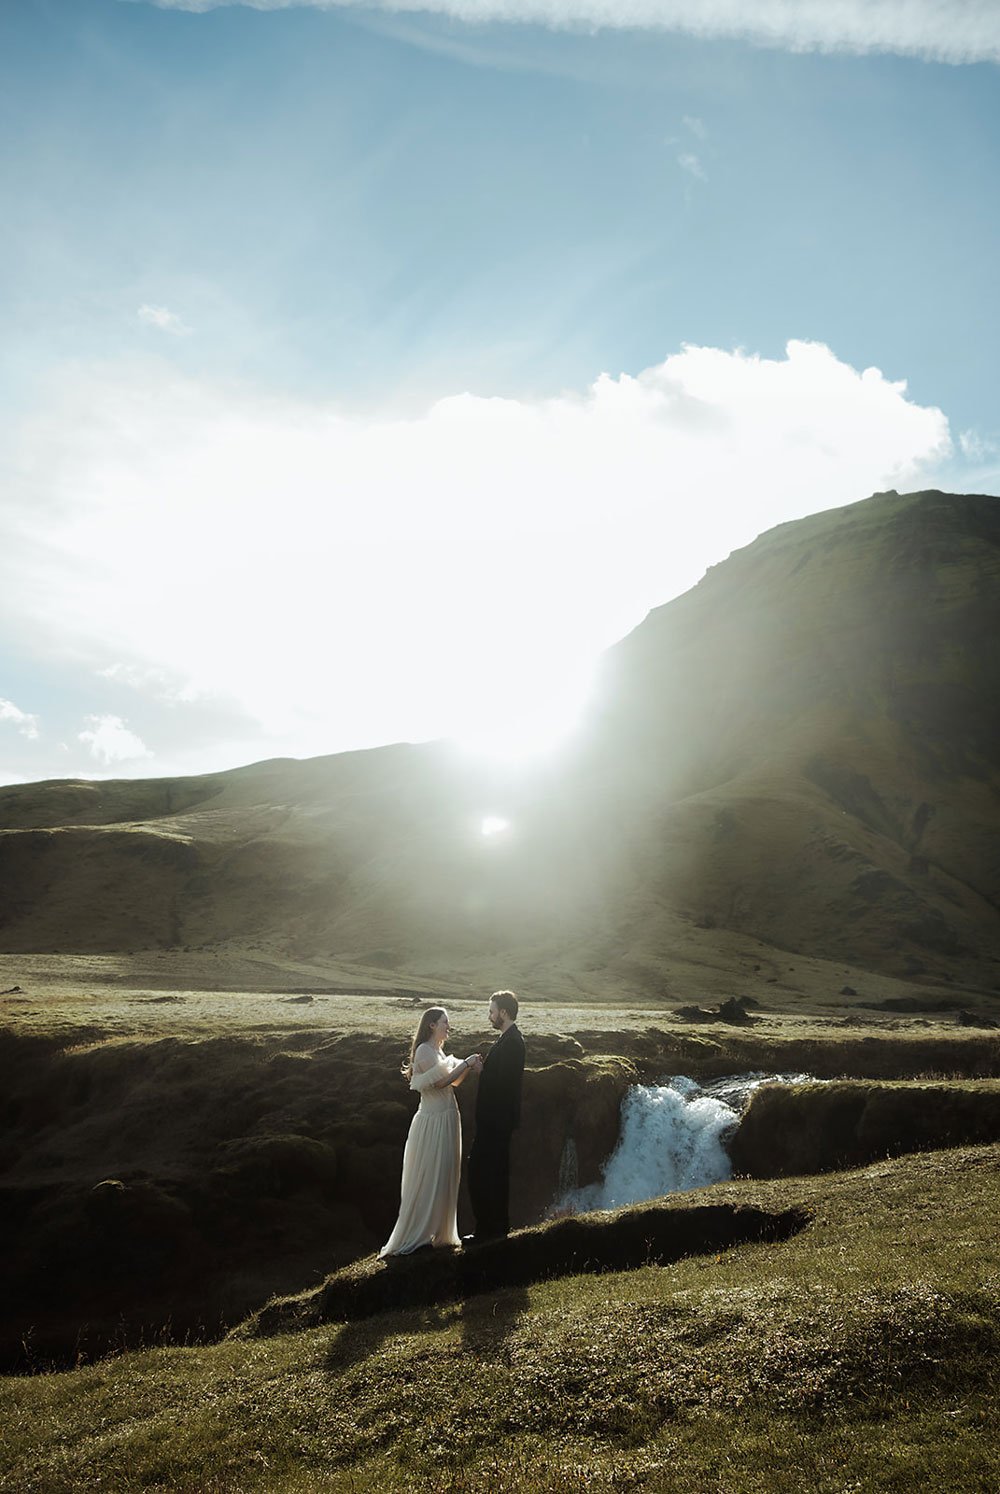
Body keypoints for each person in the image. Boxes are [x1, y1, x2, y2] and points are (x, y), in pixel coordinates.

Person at [379, 1007, 482, 1258]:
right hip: (432, 1121)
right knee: (429, 1175)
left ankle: (439, 1233)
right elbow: (439, 1083)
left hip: (447, 1117)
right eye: (445, 1022)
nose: (449, 1026)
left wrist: (467, 1067)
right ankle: (420, 1235)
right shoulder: (424, 1050)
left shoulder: (438, 1050)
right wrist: (467, 1062)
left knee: (445, 1172)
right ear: (432, 1025)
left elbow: (454, 1081)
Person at [466, 990, 525, 1244]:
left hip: (496, 1122)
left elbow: (505, 1084)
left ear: (503, 1012)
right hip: (494, 1121)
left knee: (482, 1173)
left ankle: (490, 1230)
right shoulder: (506, 1039)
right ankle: (493, 1229)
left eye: (491, 1011)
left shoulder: (513, 1042)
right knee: (490, 1174)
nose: (489, 1016)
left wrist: (482, 1071)